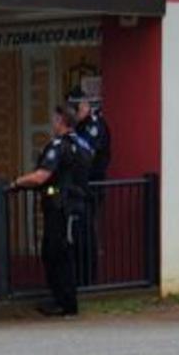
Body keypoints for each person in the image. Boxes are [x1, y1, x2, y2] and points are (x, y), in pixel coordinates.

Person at [10, 105, 92, 317]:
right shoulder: (83, 144)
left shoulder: (59, 145)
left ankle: (64, 303)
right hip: (77, 204)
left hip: (60, 206)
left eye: (55, 120)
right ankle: (65, 301)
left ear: (61, 122)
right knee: (64, 252)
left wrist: (17, 182)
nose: (53, 124)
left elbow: (41, 176)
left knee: (56, 253)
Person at [67, 85, 111, 285]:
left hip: (91, 187)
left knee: (86, 234)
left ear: (84, 105)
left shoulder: (95, 125)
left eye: (75, 107)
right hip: (77, 187)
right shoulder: (77, 126)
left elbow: (87, 155)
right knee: (76, 234)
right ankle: (79, 279)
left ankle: (88, 281)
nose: (73, 113)